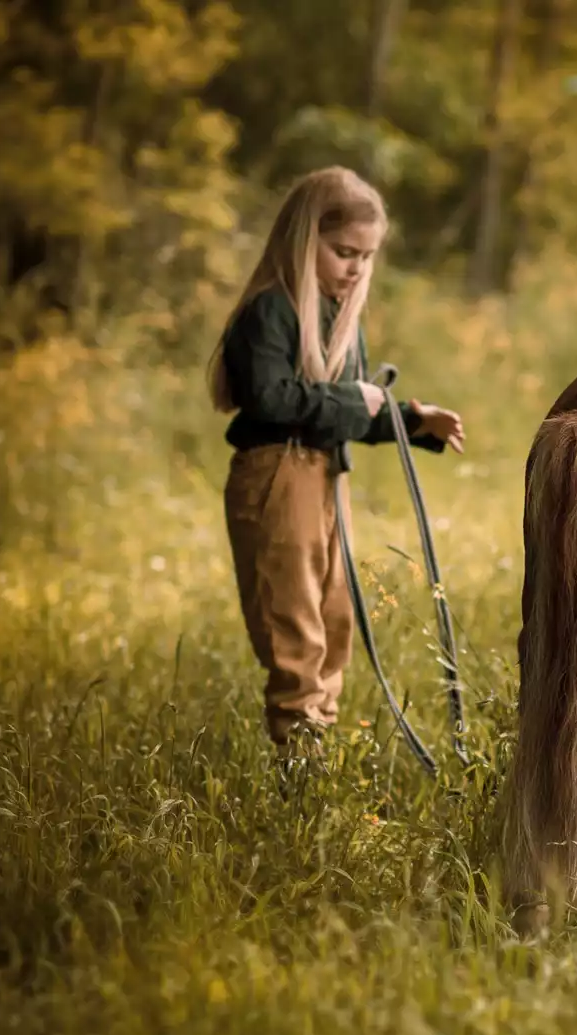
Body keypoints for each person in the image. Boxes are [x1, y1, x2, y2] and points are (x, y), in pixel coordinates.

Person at [205, 166, 466, 757]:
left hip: (325, 474)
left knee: (335, 614)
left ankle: (317, 744)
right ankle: (299, 755)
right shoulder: (270, 311)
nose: (355, 268)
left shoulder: (338, 315)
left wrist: (408, 421)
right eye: (343, 251)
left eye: (366, 257)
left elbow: (344, 411)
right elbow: (270, 398)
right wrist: (354, 400)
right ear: (305, 239)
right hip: (276, 473)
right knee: (294, 620)